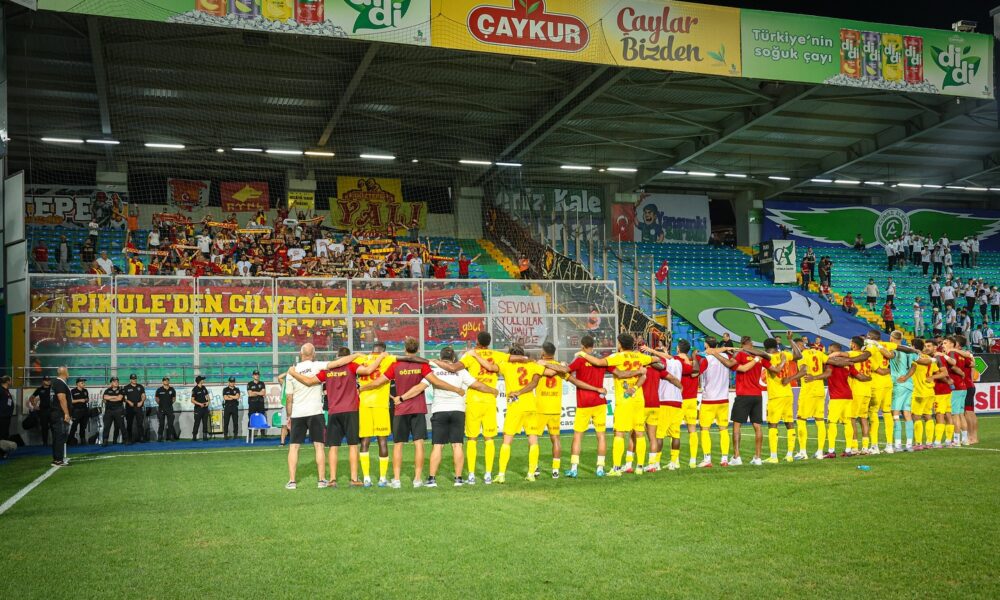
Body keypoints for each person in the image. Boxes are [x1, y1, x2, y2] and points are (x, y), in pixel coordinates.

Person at [362, 338, 466, 488]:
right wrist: (456, 389)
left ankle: (396, 480)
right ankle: (417, 479)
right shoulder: (422, 365)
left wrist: (362, 388)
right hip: (418, 408)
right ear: (417, 350)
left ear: (405, 349)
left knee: (398, 445)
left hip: (401, 408)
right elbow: (436, 382)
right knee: (419, 444)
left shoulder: (396, 365)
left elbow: (378, 382)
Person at [574, 333, 661, 476]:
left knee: (619, 433)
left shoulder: (617, 357)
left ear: (620, 344)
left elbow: (599, 362)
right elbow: (656, 359)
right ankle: (639, 467)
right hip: (638, 399)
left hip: (624, 399)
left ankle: (616, 468)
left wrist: (582, 354)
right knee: (639, 433)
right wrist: (646, 364)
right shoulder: (639, 356)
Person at [425, 346, 498, 486]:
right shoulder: (461, 371)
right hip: (458, 410)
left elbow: (422, 385)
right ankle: (458, 479)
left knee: (438, 446)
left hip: (439, 410)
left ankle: (432, 479)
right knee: (457, 445)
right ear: (454, 358)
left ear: (440, 357)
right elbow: (477, 385)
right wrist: (493, 390)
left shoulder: (434, 370)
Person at [495, 344, 568, 483]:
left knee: (507, 441)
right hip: (531, 406)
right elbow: (548, 375)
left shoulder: (505, 365)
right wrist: (552, 363)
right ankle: (531, 474)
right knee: (533, 440)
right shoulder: (533, 365)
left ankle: (501, 475)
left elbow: (492, 367)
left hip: (515, 406)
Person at [709, 336, 769, 466]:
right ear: (751, 343)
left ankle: (736, 457)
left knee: (737, 426)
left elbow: (730, 364)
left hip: (743, 395)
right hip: (757, 395)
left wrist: (715, 354)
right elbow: (773, 366)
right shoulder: (759, 356)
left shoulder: (741, 354)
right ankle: (758, 458)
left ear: (741, 343)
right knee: (757, 426)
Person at [283, 344, 333, 489]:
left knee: (294, 447)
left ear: (300, 353)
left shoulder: (291, 372)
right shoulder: (317, 366)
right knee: (319, 446)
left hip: (298, 413)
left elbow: (289, 398)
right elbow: (334, 364)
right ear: (314, 354)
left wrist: (289, 416)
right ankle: (321, 480)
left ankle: (292, 481)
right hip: (315, 412)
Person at [565, 335, 611, 477]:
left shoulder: (580, 360)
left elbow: (566, 371)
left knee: (578, 436)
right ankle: (600, 468)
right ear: (593, 345)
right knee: (601, 436)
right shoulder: (600, 361)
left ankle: (574, 468)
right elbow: (617, 371)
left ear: (582, 345)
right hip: (599, 402)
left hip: (584, 403)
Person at [810, 345, 866, 458]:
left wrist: (814, 377)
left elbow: (828, 373)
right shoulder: (848, 363)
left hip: (837, 396)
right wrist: (870, 377)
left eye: (829, 350)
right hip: (848, 395)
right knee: (847, 422)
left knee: (832, 422)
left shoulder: (831, 362)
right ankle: (848, 450)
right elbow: (860, 376)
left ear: (832, 351)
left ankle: (831, 451)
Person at [354, 342, 396, 488]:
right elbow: (406, 358)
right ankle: (382, 478)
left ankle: (366, 478)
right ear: (384, 350)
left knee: (365, 441)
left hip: (364, 404)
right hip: (380, 405)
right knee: (382, 441)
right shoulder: (387, 359)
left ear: (372, 349)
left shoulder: (362, 359)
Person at [761, 336, 803, 464]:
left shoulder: (768, 357)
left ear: (766, 347)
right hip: (788, 394)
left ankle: (773, 456)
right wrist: (790, 340)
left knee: (772, 424)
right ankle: (789, 455)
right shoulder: (785, 354)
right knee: (789, 423)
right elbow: (799, 355)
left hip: (775, 396)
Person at [694, 336, 733, 467]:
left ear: (706, 344)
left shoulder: (705, 358)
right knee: (723, 429)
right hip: (723, 398)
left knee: (705, 429)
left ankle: (707, 459)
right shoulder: (726, 357)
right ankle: (724, 459)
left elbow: (696, 372)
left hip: (709, 399)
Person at [793, 335, 828, 460]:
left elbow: (803, 370)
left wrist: (791, 378)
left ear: (800, 345)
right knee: (820, 420)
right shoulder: (817, 352)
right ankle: (820, 452)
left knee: (801, 419)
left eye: (794, 348)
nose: (794, 351)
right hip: (820, 390)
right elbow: (829, 362)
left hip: (808, 391)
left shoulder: (802, 356)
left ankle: (803, 452)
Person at [49, 368, 72, 466]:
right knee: (60, 436)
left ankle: (57, 458)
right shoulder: (59, 383)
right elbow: (62, 398)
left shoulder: (56, 382)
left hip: (56, 413)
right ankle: (58, 460)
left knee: (58, 436)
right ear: (64, 373)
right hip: (59, 414)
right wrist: (66, 413)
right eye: (67, 371)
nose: (68, 373)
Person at [28, 375, 53, 446]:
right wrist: (34, 406)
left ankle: (55, 442)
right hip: (43, 411)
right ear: (43, 381)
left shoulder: (53, 388)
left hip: (52, 410)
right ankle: (45, 443)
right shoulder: (39, 389)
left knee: (53, 427)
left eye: (49, 380)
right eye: (46, 380)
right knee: (44, 427)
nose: (48, 381)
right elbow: (31, 398)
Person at [101, 377, 126, 445]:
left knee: (121, 426)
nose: (116, 382)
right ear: (111, 383)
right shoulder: (107, 390)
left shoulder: (121, 390)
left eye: (117, 381)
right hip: (109, 411)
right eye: (114, 381)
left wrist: (110, 398)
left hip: (118, 410)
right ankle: (105, 440)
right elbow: (105, 397)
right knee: (107, 426)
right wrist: (115, 397)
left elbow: (119, 398)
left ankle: (125, 439)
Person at [123, 374, 146, 444]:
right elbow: (123, 398)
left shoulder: (140, 386)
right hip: (129, 408)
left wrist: (141, 402)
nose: (134, 380)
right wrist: (128, 401)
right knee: (129, 424)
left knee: (140, 423)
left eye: (135, 378)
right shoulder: (126, 387)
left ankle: (141, 438)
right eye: (133, 379)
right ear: (130, 380)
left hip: (138, 407)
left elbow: (143, 395)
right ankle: (129, 439)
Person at [154, 377, 177, 442]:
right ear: (163, 382)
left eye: (167, 380)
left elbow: (174, 398)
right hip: (161, 409)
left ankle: (171, 437)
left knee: (170, 424)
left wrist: (170, 403)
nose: (166, 381)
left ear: (169, 381)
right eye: (165, 380)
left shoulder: (172, 389)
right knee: (161, 424)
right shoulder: (159, 389)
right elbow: (156, 398)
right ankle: (160, 437)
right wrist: (161, 404)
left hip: (169, 409)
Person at [190, 376, 210, 441]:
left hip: (205, 409)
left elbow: (208, 397)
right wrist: (200, 404)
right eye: (202, 379)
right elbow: (192, 400)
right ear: (199, 381)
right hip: (198, 409)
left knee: (205, 423)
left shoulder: (204, 387)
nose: (203, 380)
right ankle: (194, 437)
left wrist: (208, 402)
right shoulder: (195, 389)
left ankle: (205, 436)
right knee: (197, 423)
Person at [0, 376, 13, 442]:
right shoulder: (1, 390)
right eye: (10, 380)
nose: (11, 381)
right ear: (7, 381)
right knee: (2, 433)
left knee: (5, 433)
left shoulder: (6, 390)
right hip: (2, 415)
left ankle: (5, 447)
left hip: (7, 415)